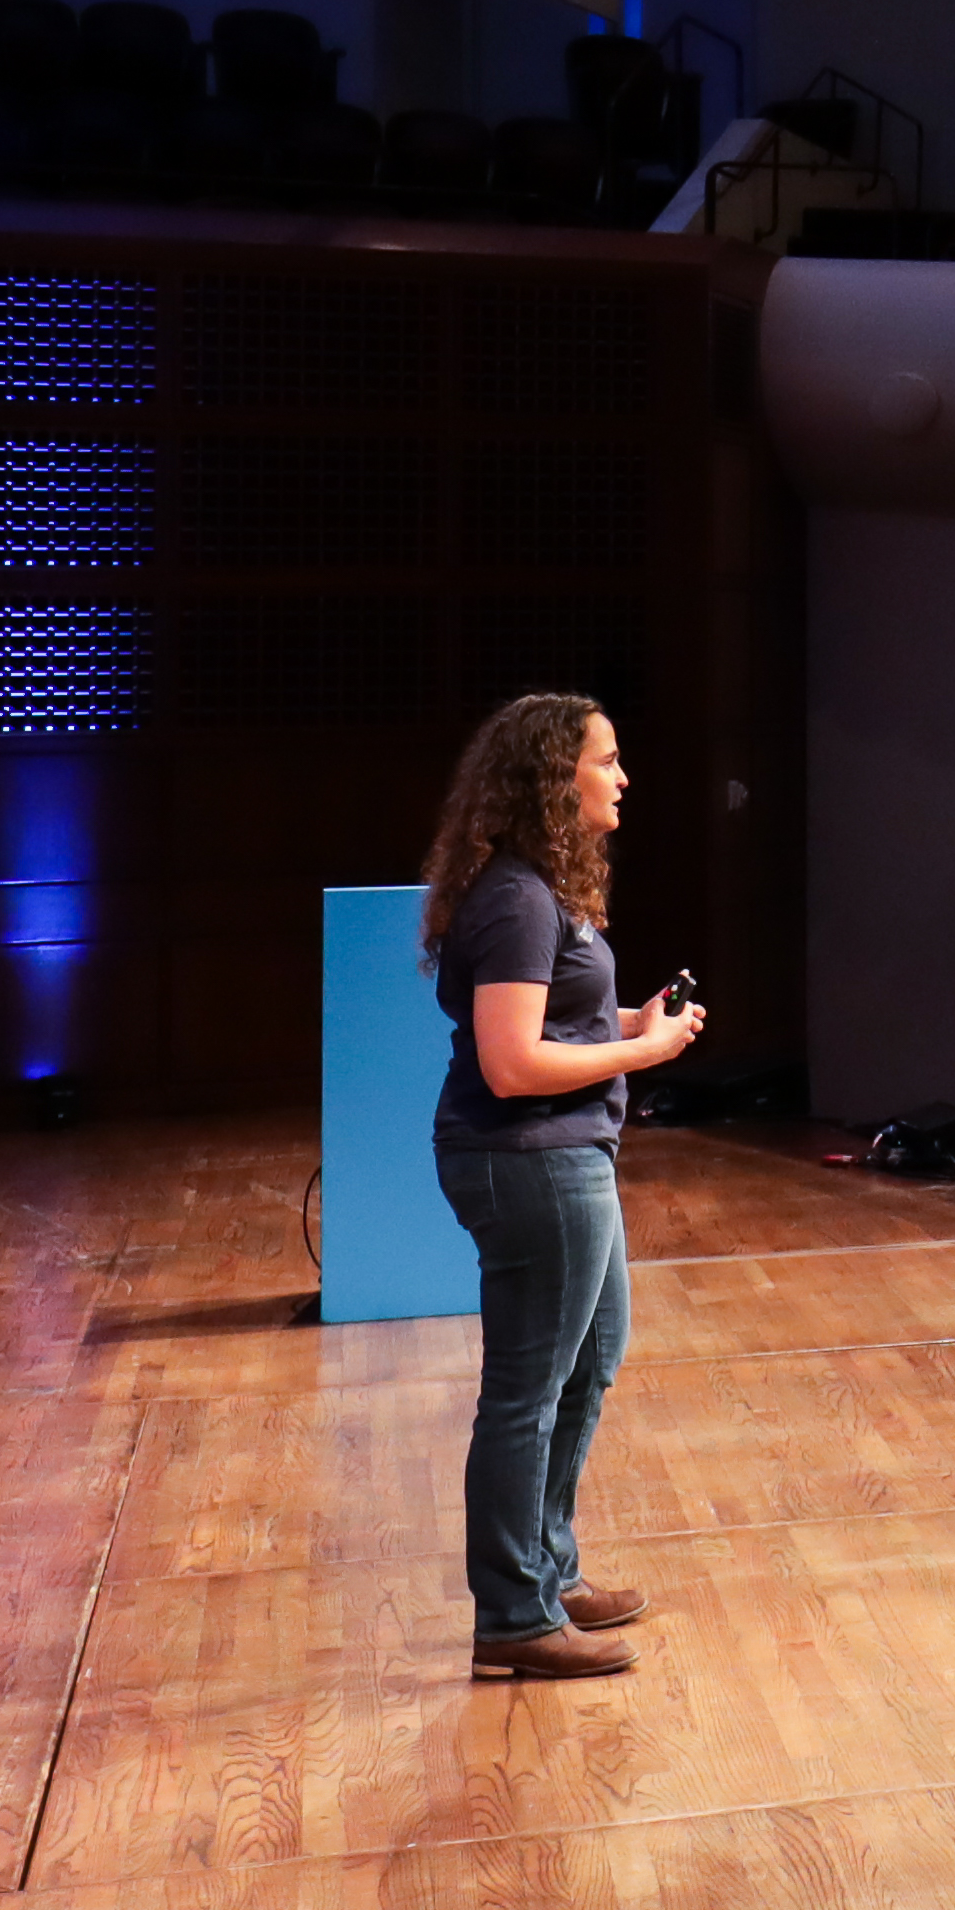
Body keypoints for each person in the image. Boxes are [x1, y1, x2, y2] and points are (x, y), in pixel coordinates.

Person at [420, 689, 706, 1684]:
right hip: (531, 1158)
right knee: (528, 1391)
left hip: (565, 1153)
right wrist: (650, 1055)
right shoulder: (517, 898)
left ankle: (546, 1571)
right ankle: (512, 1613)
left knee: (589, 1365)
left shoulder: (539, 891)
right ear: (556, 776)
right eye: (606, 759)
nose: (622, 777)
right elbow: (511, 1064)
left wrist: (627, 1022)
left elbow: (554, 1025)